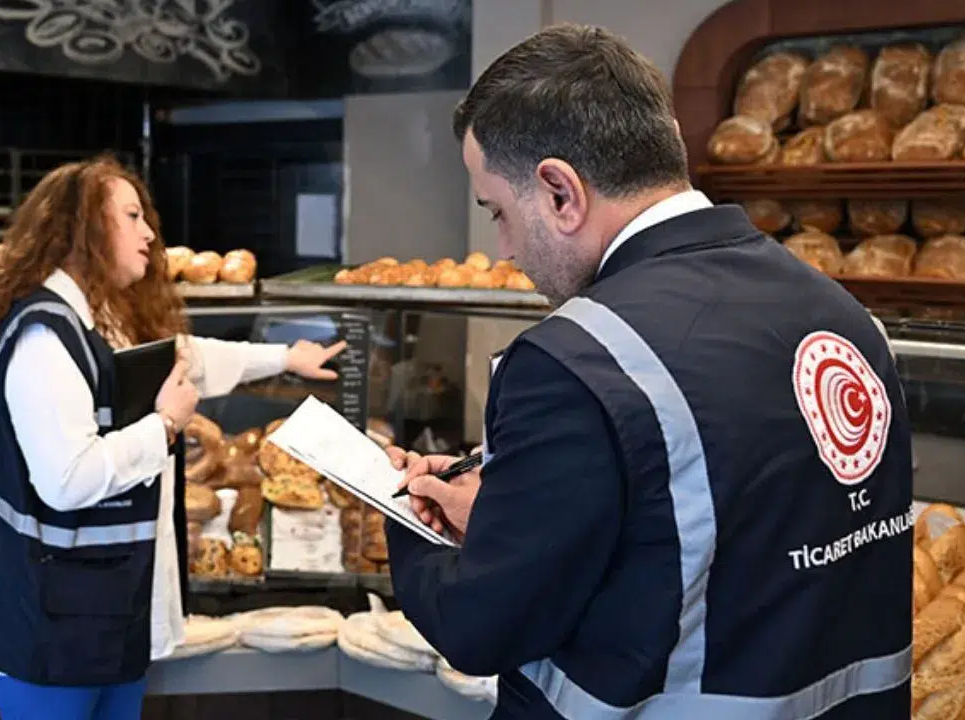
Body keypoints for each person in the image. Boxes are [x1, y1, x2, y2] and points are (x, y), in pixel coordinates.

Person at [384, 24, 913, 719]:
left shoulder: (573, 359)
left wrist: (399, 510)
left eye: (499, 213)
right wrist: (507, 510)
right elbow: (717, 544)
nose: (506, 247)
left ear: (559, 192)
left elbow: (483, 626)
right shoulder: (845, 315)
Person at [0, 155, 343, 720]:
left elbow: (189, 357)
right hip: (43, 626)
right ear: (84, 231)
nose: (150, 232)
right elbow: (67, 481)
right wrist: (166, 425)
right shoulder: (43, 340)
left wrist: (286, 357)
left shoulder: (102, 320)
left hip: (99, 611)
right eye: (131, 216)